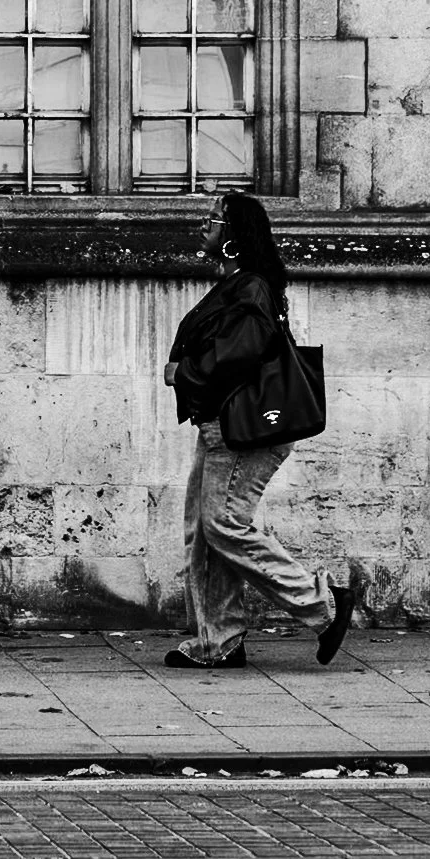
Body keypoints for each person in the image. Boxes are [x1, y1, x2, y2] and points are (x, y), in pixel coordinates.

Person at [161, 191, 354, 670]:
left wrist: (183, 372)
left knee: (224, 525)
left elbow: (240, 352)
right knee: (206, 535)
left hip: (242, 431)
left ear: (234, 235)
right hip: (221, 427)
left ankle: (323, 605)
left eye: (214, 219)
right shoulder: (239, 283)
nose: (203, 224)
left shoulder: (251, 287)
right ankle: (218, 642)